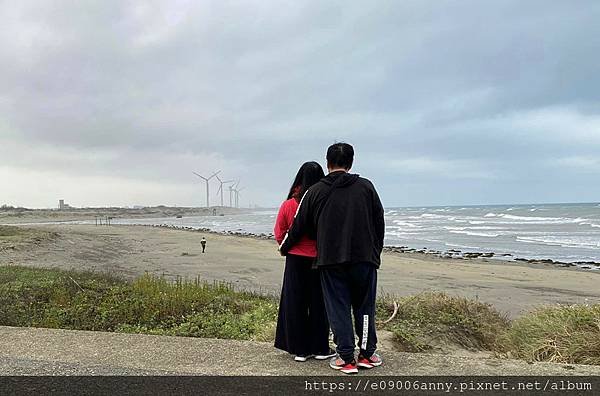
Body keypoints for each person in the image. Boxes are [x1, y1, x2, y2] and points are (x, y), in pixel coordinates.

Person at [279, 143, 385, 374]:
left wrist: (284, 247)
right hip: (363, 259)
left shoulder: (315, 191)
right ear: (351, 162)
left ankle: (346, 357)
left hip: (330, 260)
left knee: (338, 308)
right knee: (364, 307)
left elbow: (299, 225)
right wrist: (375, 252)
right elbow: (379, 222)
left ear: (328, 163)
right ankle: (367, 354)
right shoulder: (366, 187)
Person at [274, 161, 335, 362]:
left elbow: (279, 232)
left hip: (295, 260)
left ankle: (299, 350)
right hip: (319, 260)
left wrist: (289, 247)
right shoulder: (326, 202)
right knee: (320, 304)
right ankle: (319, 347)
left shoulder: (289, 204)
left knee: (295, 303)